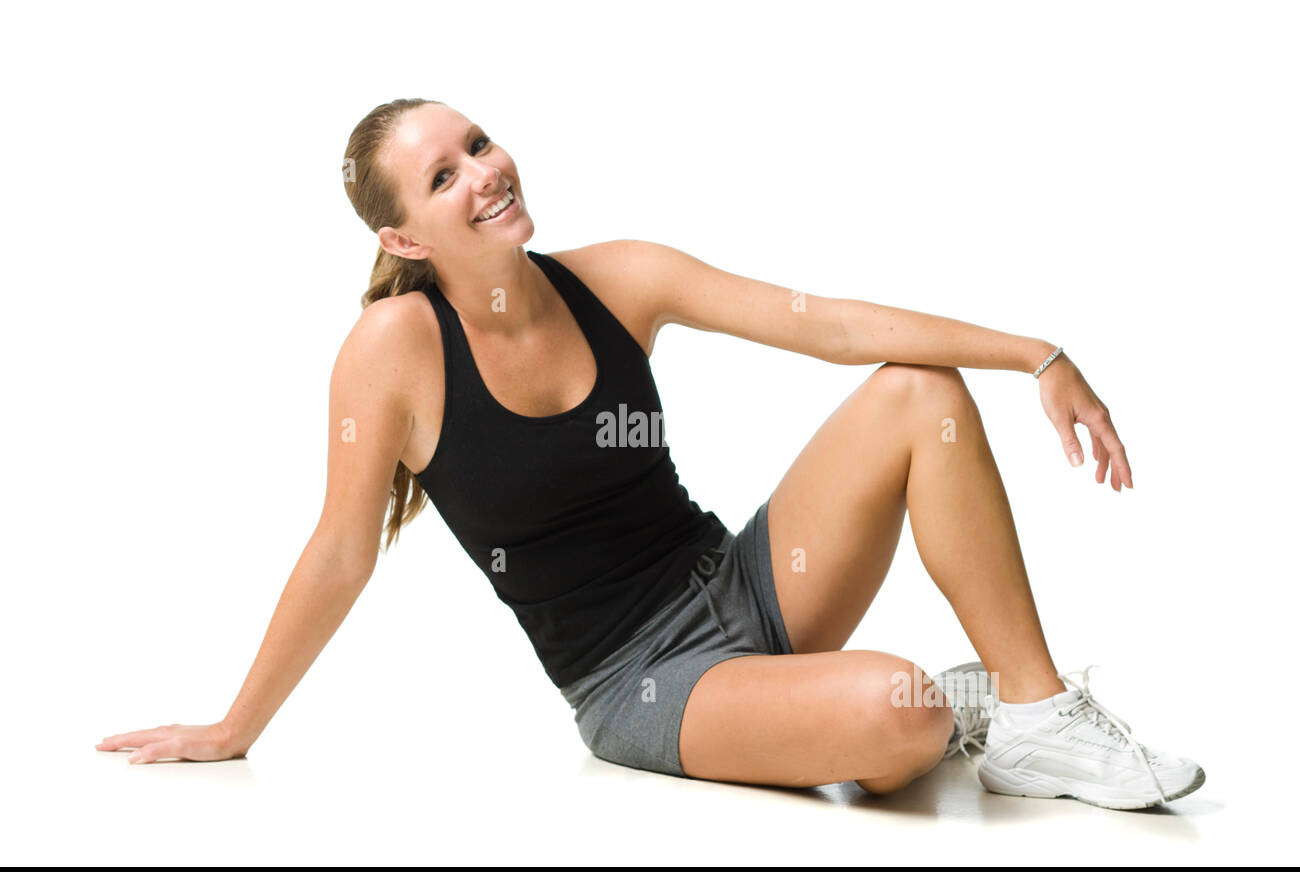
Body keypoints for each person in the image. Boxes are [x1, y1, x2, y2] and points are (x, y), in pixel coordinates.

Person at [97, 98, 1204, 811]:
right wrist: (234, 726)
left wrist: (1036, 353)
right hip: (641, 681)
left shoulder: (619, 275)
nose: (482, 172)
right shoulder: (394, 350)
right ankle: (943, 706)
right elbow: (341, 547)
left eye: (476, 144)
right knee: (903, 714)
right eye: (441, 179)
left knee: (920, 393)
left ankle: (1031, 709)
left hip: (743, 587)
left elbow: (826, 325)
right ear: (403, 240)